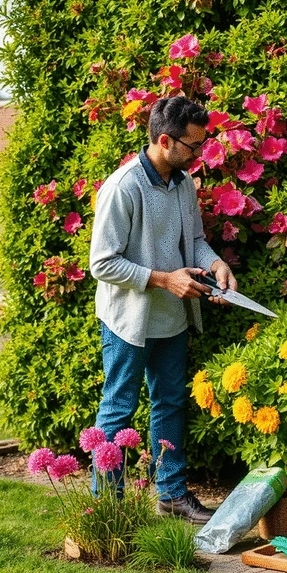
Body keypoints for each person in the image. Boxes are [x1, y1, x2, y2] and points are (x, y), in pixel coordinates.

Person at [89, 95, 236, 524]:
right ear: (165, 140)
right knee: (118, 409)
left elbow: (194, 241)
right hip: (128, 323)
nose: (199, 154)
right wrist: (164, 279)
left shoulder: (184, 183)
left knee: (169, 404)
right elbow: (102, 263)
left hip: (172, 319)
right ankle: (108, 509)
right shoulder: (123, 187)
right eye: (193, 146)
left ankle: (171, 495)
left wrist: (215, 263)